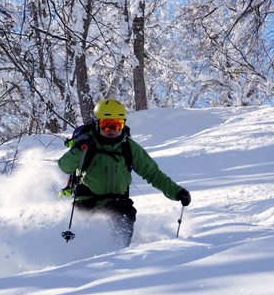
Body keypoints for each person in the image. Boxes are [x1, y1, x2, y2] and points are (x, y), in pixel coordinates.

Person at [58, 98, 191, 246]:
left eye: (117, 124)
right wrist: (78, 149)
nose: (113, 130)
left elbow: (152, 173)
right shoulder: (86, 144)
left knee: (125, 214)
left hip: (117, 202)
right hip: (86, 200)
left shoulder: (128, 147)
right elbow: (65, 166)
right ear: (97, 124)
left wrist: (177, 192)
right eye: (106, 125)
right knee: (81, 230)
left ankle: (119, 252)